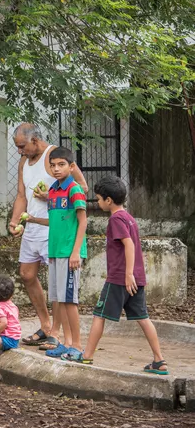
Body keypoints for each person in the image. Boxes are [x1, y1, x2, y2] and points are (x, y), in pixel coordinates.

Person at [62, 176, 168, 374]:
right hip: (136, 278)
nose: (98, 202)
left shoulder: (116, 219)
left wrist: (127, 274)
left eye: (99, 199)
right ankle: (159, 360)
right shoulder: (129, 218)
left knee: (98, 316)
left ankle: (87, 356)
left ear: (108, 200)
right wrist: (133, 274)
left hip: (120, 278)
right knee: (143, 318)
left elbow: (129, 244)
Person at [9, 123, 88, 352]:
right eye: (17, 147)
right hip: (31, 225)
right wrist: (15, 222)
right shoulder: (24, 161)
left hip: (54, 229)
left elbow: (81, 186)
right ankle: (45, 324)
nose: (19, 151)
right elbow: (21, 194)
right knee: (27, 274)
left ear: (35, 140)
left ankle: (56, 332)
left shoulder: (55, 157)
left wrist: (52, 196)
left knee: (58, 285)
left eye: (22, 146)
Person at [42, 146, 88, 359]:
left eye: (61, 165)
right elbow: (54, 220)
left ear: (71, 167)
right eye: (53, 165)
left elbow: (83, 222)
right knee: (60, 299)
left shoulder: (74, 189)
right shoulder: (52, 190)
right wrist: (31, 220)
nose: (56, 169)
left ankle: (77, 346)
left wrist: (76, 252)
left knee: (70, 300)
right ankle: (67, 343)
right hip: (54, 252)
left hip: (69, 253)